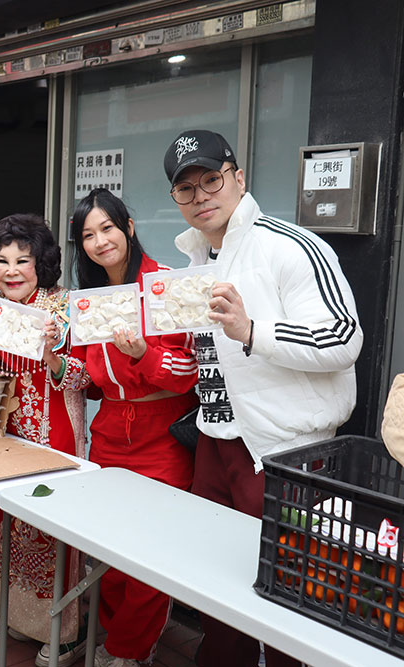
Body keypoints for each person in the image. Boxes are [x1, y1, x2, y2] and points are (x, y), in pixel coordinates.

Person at [163, 129, 363, 667]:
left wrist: (252, 330)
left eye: (211, 179)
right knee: (216, 581)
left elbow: (344, 339)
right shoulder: (193, 262)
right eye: (186, 188)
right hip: (215, 440)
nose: (201, 196)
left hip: (284, 450)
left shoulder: (291, 246)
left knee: (285, 588)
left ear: (239, 178)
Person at [0, 213, 89, 662]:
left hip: (55, 434)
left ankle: (65, 632)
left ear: (40, 263)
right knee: (8, 527)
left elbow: (85, 377)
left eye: (22, 261)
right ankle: (21, 618)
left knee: (52, 530)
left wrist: (51, 354)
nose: (11, 271)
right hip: (8, 435)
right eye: (2, 261)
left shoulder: (64, 306)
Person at [70, 188, 199, 667]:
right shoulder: (89, 301)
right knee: (108, 544)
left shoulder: (166, 284)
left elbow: (189, 371)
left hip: (163, 434)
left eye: (107, 228)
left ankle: (131, 649)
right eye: (88, 235)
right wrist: (55, 355)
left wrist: (144, 353)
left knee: (152, 549)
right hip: (109, 432)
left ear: (128, 227)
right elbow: (87, 381)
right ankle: (115, 637)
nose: (100, 241)